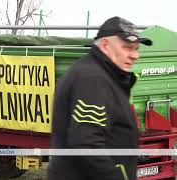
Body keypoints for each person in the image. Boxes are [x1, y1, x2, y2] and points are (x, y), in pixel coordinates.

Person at [48, 16, 152, 180]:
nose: (134, 55)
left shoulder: (104, 75)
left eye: (136, 48)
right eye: (127, 47)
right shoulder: (92, 79)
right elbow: (85, 143)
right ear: (105, 45)